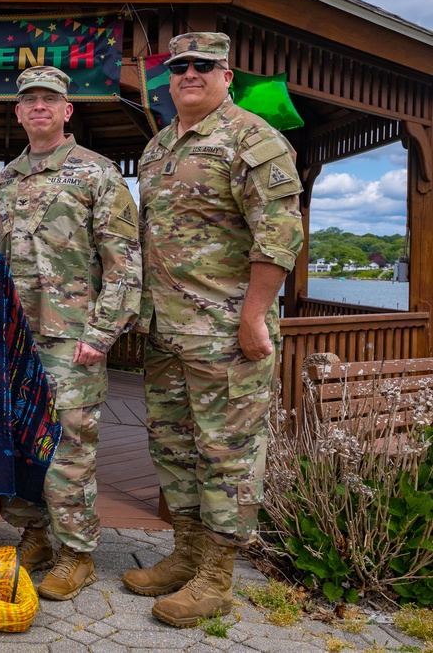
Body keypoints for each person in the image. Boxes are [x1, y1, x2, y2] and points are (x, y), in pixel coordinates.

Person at [121, 32, 304, 627]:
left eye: (203, 66)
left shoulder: (254, 138)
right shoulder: (158, 148)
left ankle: (218, 578)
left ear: (227, 74)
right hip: (168, 332)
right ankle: (187, 556)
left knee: (226, 453)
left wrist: (254, 315)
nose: (189, 74)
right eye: (179, 67)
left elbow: (278, 235)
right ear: (169, 79)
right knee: (174, 448)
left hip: (225, 331)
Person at [0, 66, 142, 601]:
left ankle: (77, 555)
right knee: (21, 442)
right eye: (29, 100)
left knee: (70, 448)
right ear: (18, 112)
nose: (39, 107)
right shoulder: (8, 176)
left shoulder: (98, 173)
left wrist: (100, 335)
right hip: (16, 341)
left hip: (71, 338)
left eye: (49, 100)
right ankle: (36, 536)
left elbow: (124, 264)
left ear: (66, 110)